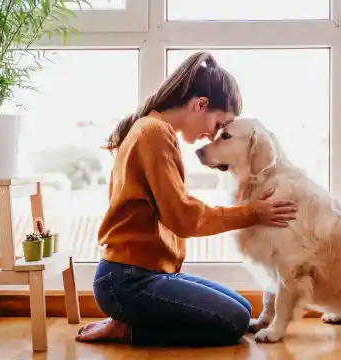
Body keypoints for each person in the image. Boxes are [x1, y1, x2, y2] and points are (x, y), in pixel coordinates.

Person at [75, 51, 297, 347]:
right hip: (127, 281)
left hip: (143, 274)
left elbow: (174, 212)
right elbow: (184, 218)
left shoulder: (152, 129)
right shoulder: (154, 133)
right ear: (200, 104)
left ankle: (130, 318)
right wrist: (252, 213)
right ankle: (128, 330)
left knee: (243, 309)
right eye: (219, 125)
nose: (212, 136)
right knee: (234, 321)